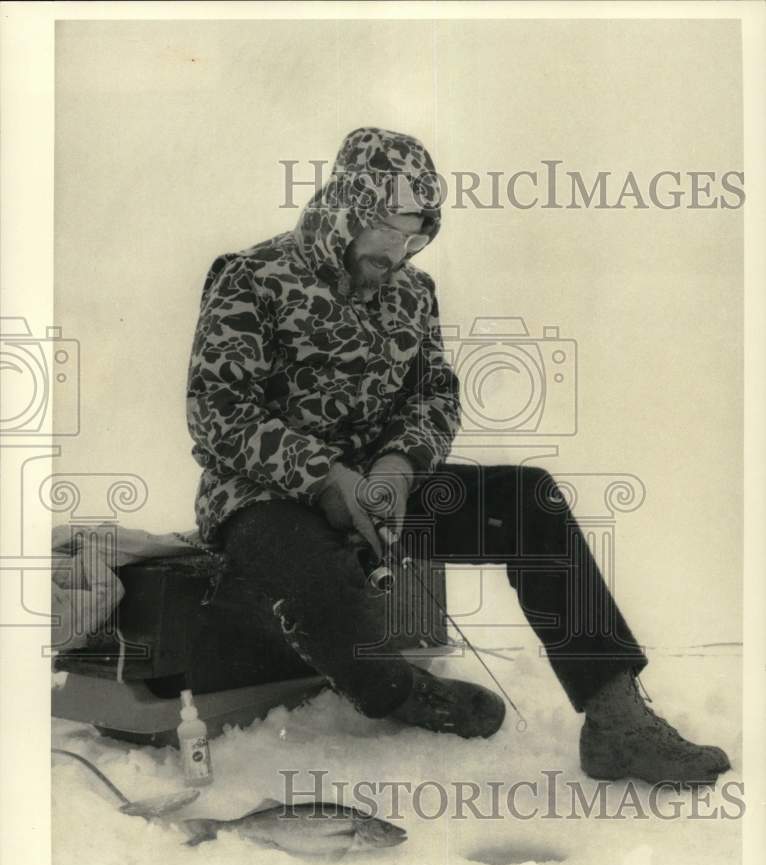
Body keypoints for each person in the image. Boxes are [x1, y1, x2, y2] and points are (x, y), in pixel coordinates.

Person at [186, 126, 730, 785]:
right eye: (388, 229)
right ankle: (398, 693)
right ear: (346, 209)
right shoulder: (251, 278)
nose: (399, 251)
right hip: (265, 501)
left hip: (383, 499)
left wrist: (398, 469)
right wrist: (325, 477)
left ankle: (616, 718)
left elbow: (435, 396)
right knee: (314, 569)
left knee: (528, 500)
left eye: (415, 235)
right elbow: (217, 409)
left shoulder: (413, 294)